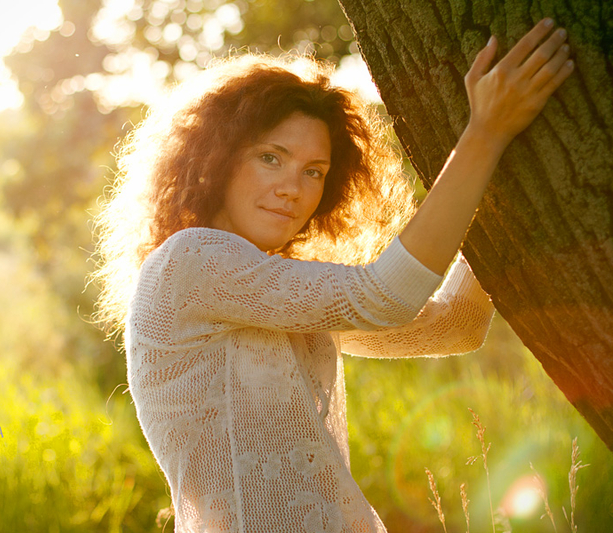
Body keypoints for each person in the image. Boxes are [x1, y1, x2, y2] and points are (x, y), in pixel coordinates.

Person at [93, 18, 573, 533]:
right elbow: (384, 297)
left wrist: (502, 179)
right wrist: (486, 135)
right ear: (217, 159)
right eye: (270, 158)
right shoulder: (192, 261)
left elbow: (456, 326)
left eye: (314, 171)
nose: (292, 188)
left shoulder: (270, 295)